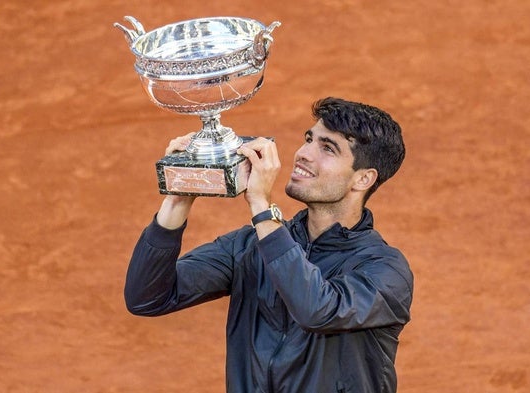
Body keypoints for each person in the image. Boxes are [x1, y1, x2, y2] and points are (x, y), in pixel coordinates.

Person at [125, 97, 414, 393]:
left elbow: (317, 309)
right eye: (308, 139)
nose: (303, 154)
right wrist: (176, 199)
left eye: (327, 148)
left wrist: (262, 207)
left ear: (363, 179)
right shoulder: (250, 246)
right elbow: (147, 298)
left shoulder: (386, 271)